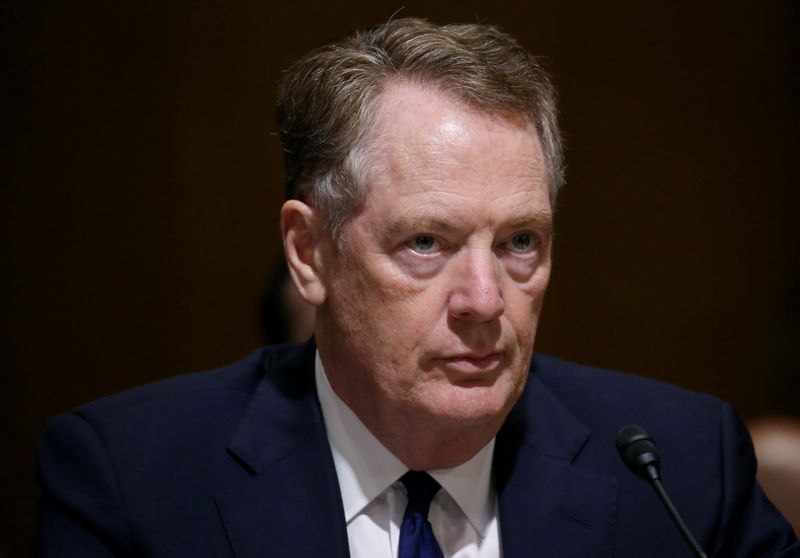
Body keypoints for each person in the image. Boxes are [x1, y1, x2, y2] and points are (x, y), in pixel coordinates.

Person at [32, 18, 798, 558]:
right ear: (309, 253)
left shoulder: (683, 470)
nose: (486, 301)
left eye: (520, 243)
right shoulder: (133, 481)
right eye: (426, 242)